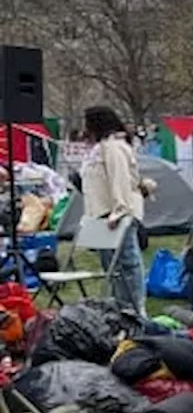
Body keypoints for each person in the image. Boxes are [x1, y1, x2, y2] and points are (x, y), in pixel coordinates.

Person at [79, 106, 148, 316]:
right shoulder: (99, 148)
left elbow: (120, 180)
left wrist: (119, 211)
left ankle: (135, 310)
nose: (85, 128)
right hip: (100, 214)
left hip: (117, 214)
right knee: (112, 269)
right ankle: (119, 309)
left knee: (127, 264)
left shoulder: (114, 147)